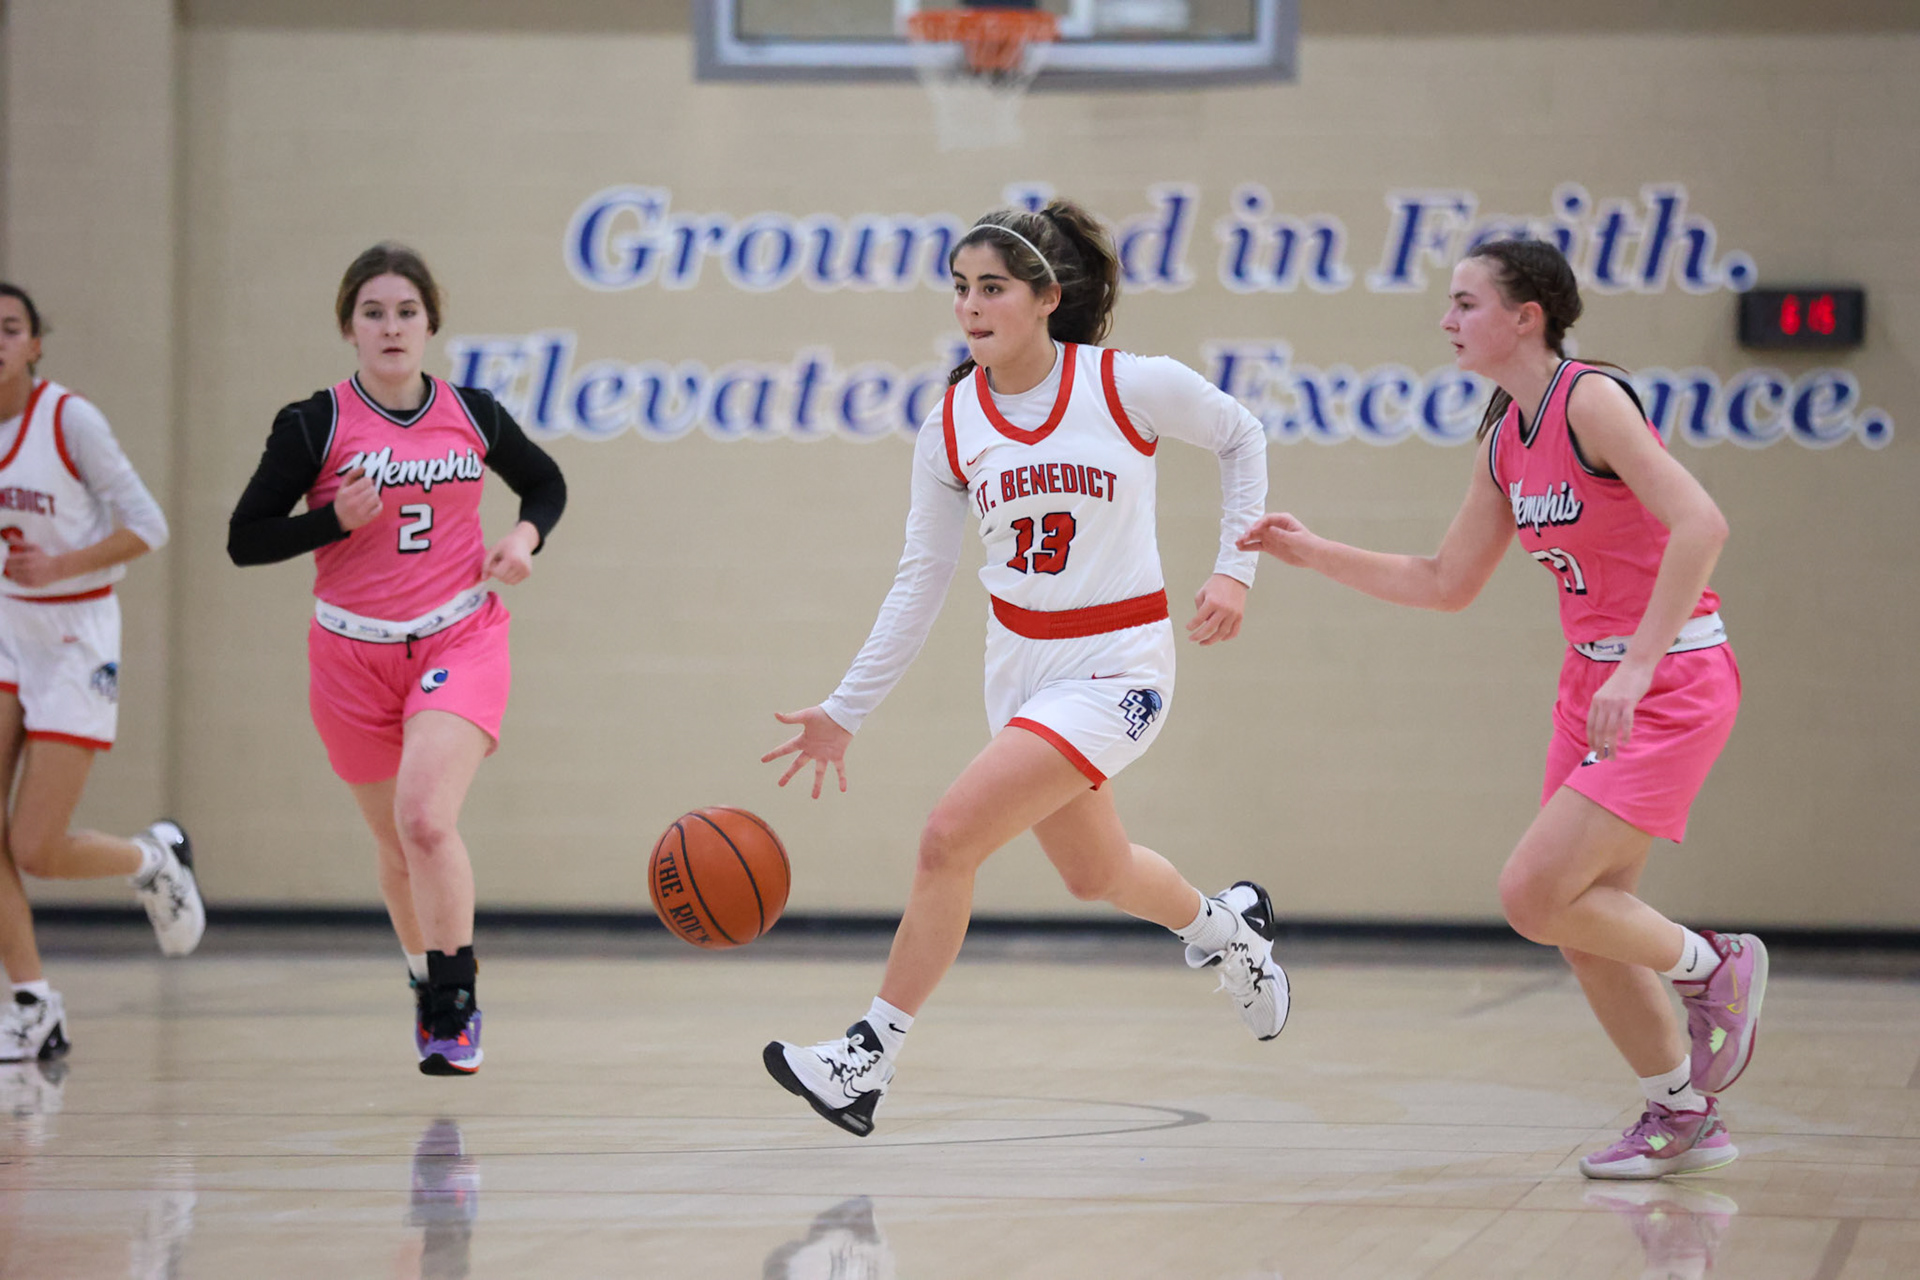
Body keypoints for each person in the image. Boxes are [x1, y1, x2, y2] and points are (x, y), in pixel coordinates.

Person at [1238, 239, 1763, 1180]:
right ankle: (1682, 1114)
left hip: (1669, 680)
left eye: (1466, 302)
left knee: (1532, 896)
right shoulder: (1506, 439)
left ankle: (1712, 965)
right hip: (1592, 687)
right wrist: (1312, 552)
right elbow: (1444, 582)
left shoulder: (1591, 400)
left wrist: (1637, 667)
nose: (1447, 319)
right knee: (1583, 918)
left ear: (1527, 316)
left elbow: (1703, 524)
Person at [761, 200, 1287, 1137]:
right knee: (1100, 874)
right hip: (1023, 677)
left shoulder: (1127, 386)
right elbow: (920, 580)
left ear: (1047, 297)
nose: (971, 305)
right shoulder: (953, 422)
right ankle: (1225, 929)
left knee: (945, 839)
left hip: (1120, 668)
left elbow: (1243, 435)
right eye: (960, 288)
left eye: (992, 287)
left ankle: (865, 1059)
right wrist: (848, 707)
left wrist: (1234, 572)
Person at [227, 244, 565, 1075]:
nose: (390, 327)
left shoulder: (471, 412)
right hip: (350, 655)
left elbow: (546, 482)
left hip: (459, 636)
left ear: (430, 325)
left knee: (424, 818)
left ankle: (455, 1005)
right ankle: (425, 978)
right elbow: (244, 540)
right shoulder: (313, 423)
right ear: (348, 327)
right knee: (393, 845)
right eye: (373, 312)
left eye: (405, 312)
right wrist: (331, 522)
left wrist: (524, 537)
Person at [0, 282, 203, 1066]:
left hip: (77, 631)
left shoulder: (68, 419)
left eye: (11, 328)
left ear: (36, 343)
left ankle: (153, 860)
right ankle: (32, 1004)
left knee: (35, 847)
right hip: (8, 624)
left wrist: (60, 566)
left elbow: (147, 525)